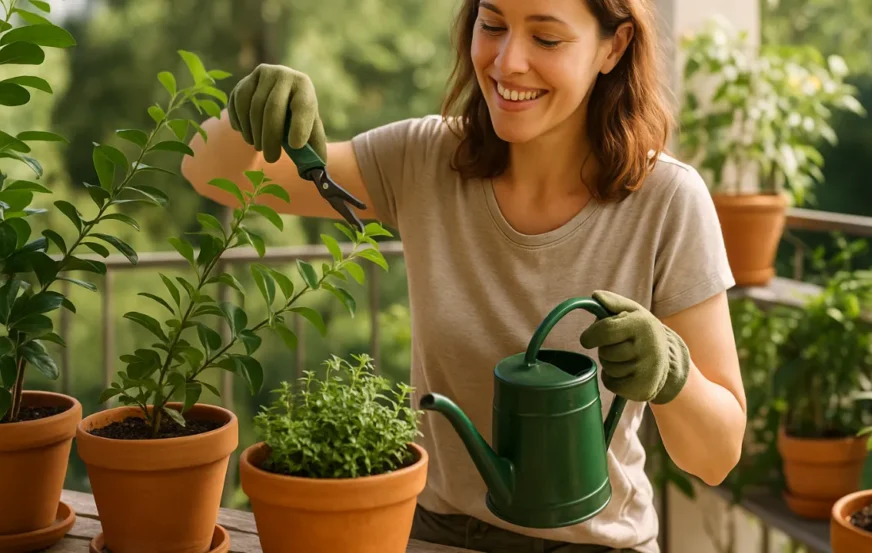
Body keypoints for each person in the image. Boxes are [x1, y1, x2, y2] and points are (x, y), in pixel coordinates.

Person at [182, 0, 746, 550]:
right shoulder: (425, 159)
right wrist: (250, 112)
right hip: (431, 532)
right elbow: (210, 172)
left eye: (545, 38)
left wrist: (674, 373)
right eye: (493, 24)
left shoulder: (668, 200)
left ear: (613, 46)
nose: (506, 62)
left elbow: (717, 458)